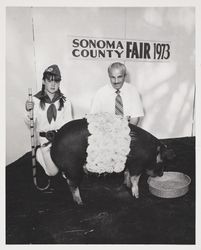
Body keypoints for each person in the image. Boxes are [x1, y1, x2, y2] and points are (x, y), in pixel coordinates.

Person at [25, 64, 73, 181]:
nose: (53, 84)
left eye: (56, 81)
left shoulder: (65, 101)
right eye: (49, 80)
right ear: (43, 81)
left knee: (70, 167)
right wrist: (28, 110)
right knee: (52, 172)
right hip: (45, 140)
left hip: (60, 141)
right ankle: (39, 153)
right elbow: (30, 123)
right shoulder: (35, 101)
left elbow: (69, 125)